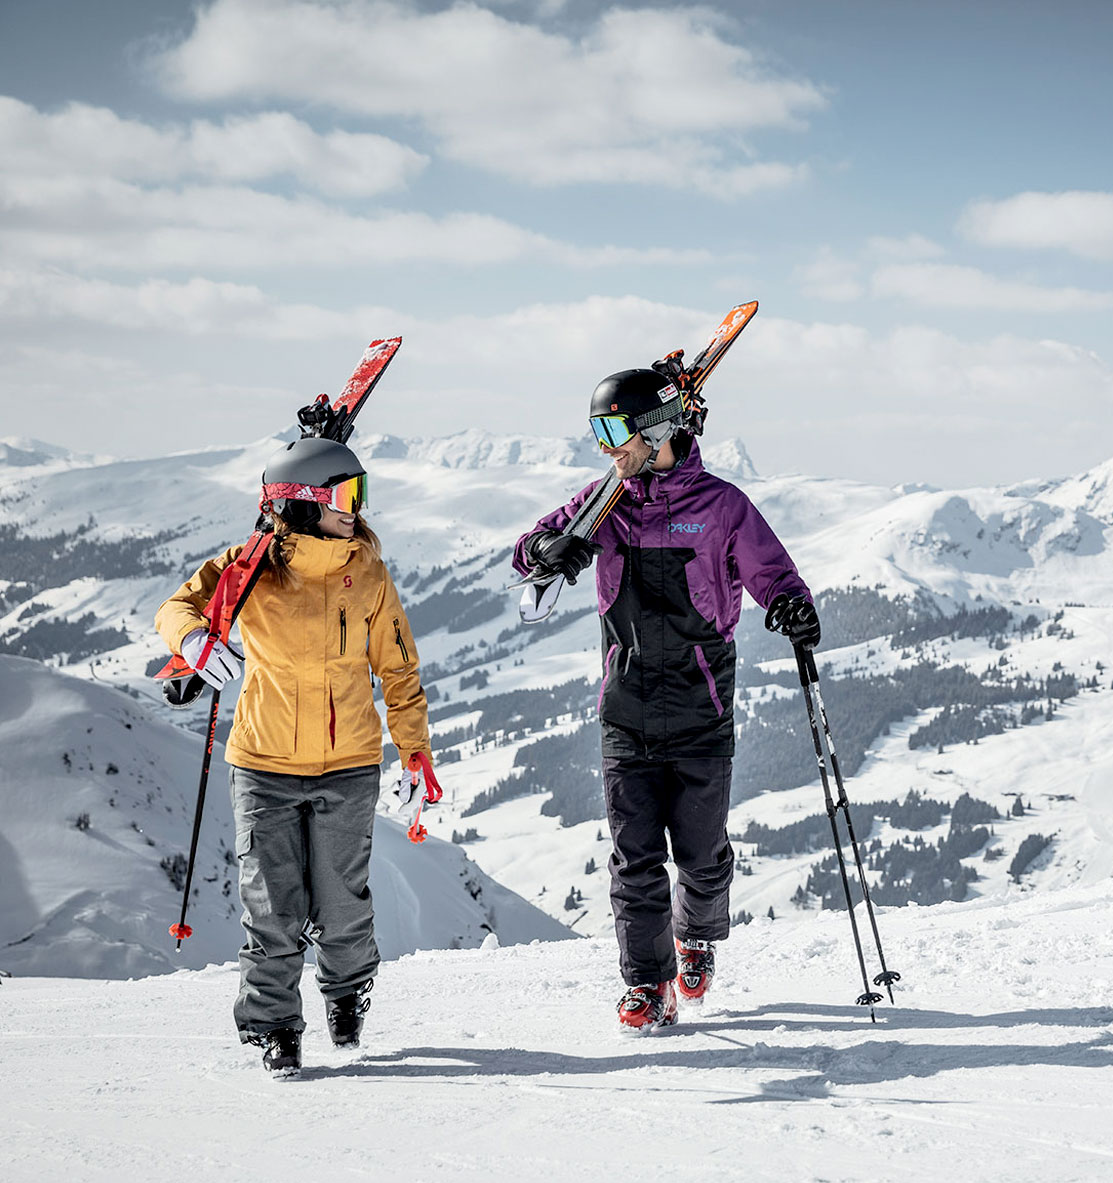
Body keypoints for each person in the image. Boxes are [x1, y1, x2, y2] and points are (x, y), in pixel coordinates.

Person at [513, 366, 820, 1029]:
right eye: (597, 432)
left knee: (703, 857)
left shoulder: (721, 505)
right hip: (624, 709)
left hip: (699, 708)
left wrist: (793, 606)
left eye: (614, 431)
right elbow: (526, 552)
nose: (605, 449)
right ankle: (648, 986)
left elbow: (772, 570)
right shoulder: (605, 502)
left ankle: (697, 935)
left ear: (655, 430)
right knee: (635, 859)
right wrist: (551, 545)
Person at [155, 437, 438, 1076]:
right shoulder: (249, 568)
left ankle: (346, 991)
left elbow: (398, 668)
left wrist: (414, 749)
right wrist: (197, 641)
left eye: (361, 493)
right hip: (263, 764)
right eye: (347, 495)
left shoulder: (366, 571)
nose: (359, 509)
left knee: (342, 903)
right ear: (307, 505)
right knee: (272, 904)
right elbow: (174, 609)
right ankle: (274, 1026)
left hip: (349, 763)